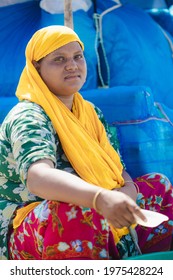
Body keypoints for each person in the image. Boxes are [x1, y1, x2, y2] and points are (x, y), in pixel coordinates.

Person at [0, 25, 172, 260]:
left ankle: (145, 266)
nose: (71, 65)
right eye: (59, 59)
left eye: (77, 57)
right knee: (75, 210)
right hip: (36, 223)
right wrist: (99, 198)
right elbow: (38, 177)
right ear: (37, 69)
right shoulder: (29, 116)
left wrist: (127, 192)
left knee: (158, 186)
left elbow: (117, 168)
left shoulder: (90, 112)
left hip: (95, 206)